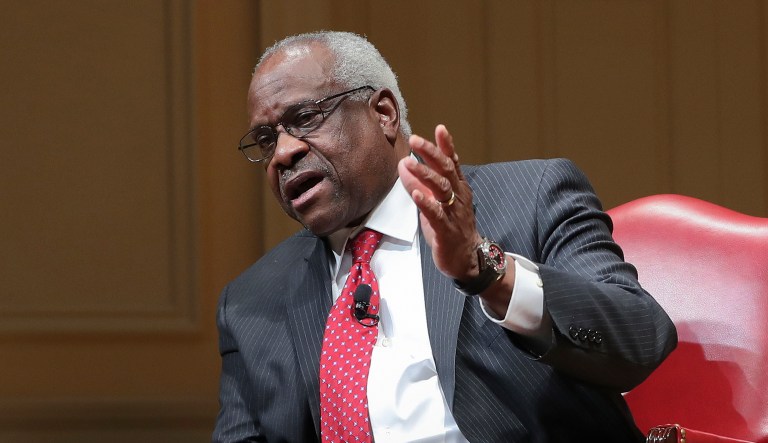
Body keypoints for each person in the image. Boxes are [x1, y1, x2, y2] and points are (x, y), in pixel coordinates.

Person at [213, 31, 677, 443]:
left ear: (384, 113)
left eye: (307, 118)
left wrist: (488, 274)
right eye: (266, 139)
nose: (284, 152)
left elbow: (640, 341)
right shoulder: (253, 301)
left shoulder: (529, 198)